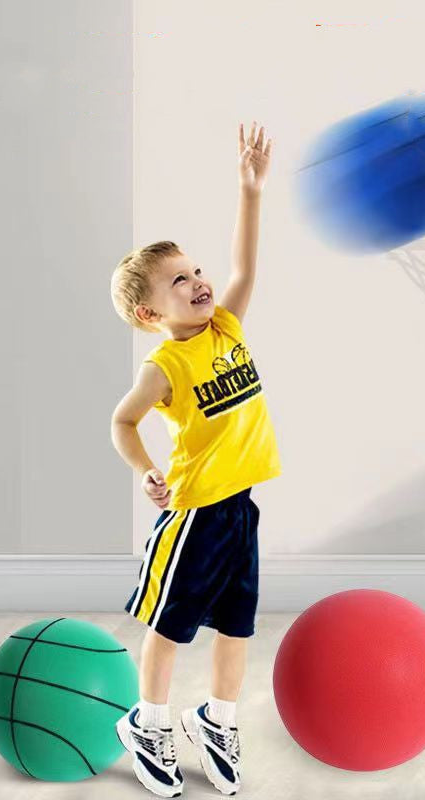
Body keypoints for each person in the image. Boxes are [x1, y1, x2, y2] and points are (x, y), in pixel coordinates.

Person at [109, 122, 280, 797]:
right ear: (151, 312)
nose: (200, 282)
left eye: (196, 270)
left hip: (241, 509)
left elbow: (244, 268)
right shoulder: (167, 362)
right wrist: (145, 467)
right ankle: (148, 721)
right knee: (171, 624)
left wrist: (250, 190)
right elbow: (122, 421)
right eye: (180, 281)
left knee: (237, 625)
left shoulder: (227, 326)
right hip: (195, 512)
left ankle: (218, 718)